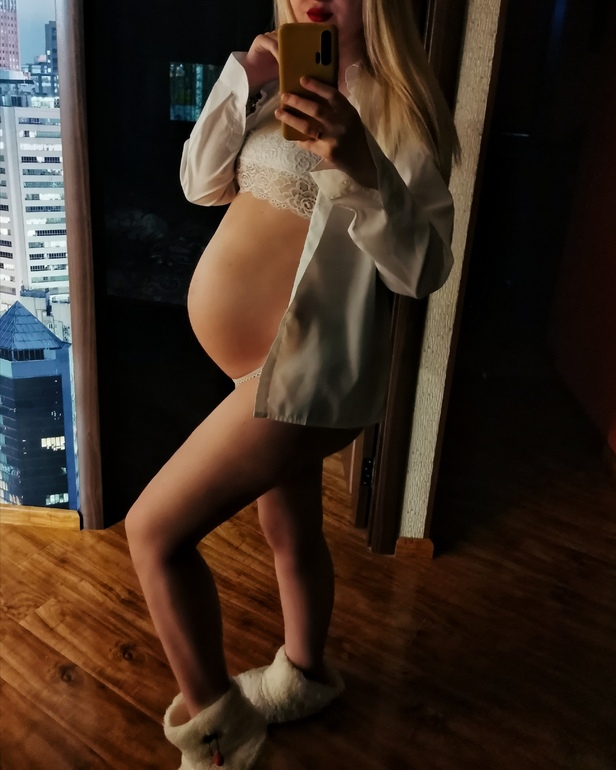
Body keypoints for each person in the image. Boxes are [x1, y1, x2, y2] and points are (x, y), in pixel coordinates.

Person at [125, 0, 460, 767]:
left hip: (304, 379)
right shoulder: (279, 82)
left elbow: (422, 271)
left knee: (153, 534)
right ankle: (305, 676)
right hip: (257, 372)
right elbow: (199, 184)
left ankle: (220, 739)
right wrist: (245, 77)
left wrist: (363, 165)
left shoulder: (398, 112)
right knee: (289, 530)